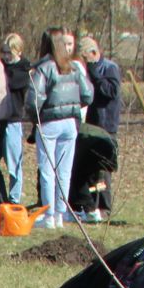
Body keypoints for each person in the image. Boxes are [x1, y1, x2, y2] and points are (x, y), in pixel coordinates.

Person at [29, 26, 90, 228]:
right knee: (64, 171)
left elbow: (34, 99)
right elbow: (88, 94)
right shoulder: (74, 67)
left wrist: (35, 118)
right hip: (70, 123)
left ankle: (48, 215)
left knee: (47, 170)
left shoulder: (44, 68)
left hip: (49, 122)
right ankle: (60, 214)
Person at [78, 34, 122, 221]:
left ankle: (104, 206)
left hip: (106, 125)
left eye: (86, 58)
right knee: (90, 167)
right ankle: (90, 204)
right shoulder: (87, 70)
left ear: (94, 53)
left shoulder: (109, 68)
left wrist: (95, 74)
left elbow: (111, 92)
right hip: (91, 123)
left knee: (104, 167)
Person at [0, 32, 30, 209]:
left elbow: (14, 83)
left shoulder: (23, 70)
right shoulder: (1, 67)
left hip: (13, 120)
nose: (6, 56)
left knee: (14, 164)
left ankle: (14, 198)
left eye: (10, 52)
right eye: (4, 52)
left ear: (18, 51)